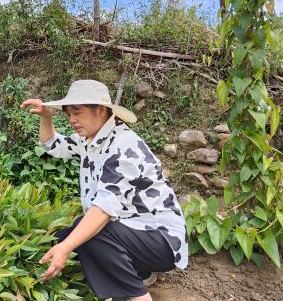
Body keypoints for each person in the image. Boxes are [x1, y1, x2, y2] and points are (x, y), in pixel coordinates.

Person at [20, 80, 187, 301]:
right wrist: (46, 117)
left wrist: (67, 247)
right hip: (133, 230)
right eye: (68, 113)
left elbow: (103, 210)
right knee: (65, 238)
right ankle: (137, 272)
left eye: (77, 112)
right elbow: (53, 144)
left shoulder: (122, 145)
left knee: (87, 235)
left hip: (160, 241)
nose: (71, 120)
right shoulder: (90, 139)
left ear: (100, 110)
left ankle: (135, 296)